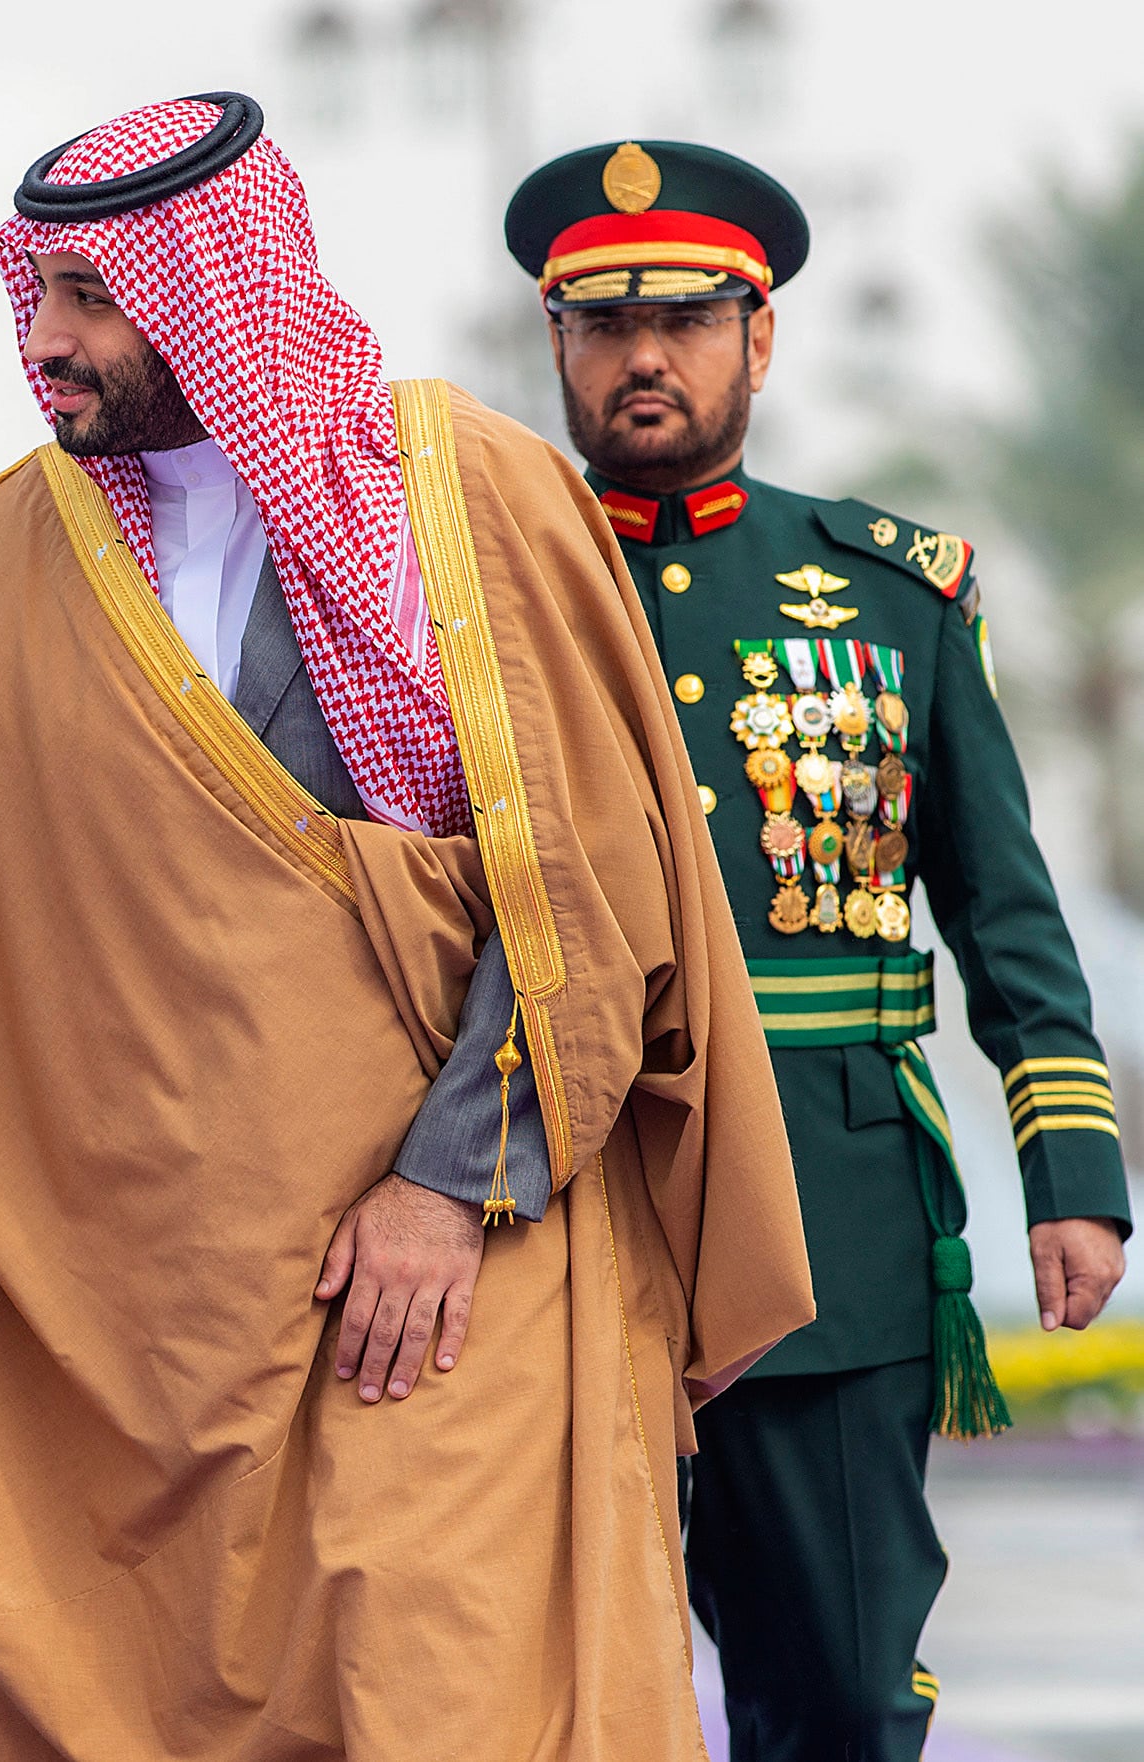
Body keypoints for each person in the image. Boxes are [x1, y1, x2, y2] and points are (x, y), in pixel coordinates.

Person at [0, 93, 813, 1759]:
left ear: (211, 286)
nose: (47, 342)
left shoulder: (464, 501)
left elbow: (589, 887)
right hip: (169, 1314)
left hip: (459, 1263)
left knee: (448, 1687)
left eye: (92, 297)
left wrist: (450, 1182)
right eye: (36, 294)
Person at [504, 139, 1132, 1762]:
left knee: (843, 1689)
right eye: (603, 323)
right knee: (532, 1686)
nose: (647, 355)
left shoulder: (889, 595)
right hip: (562, 1194)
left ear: (759, 340)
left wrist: (1069, 1167)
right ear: (557, 348)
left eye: (690, 318)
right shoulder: (484, 596)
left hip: (831, 1216)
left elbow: (1001, 902)